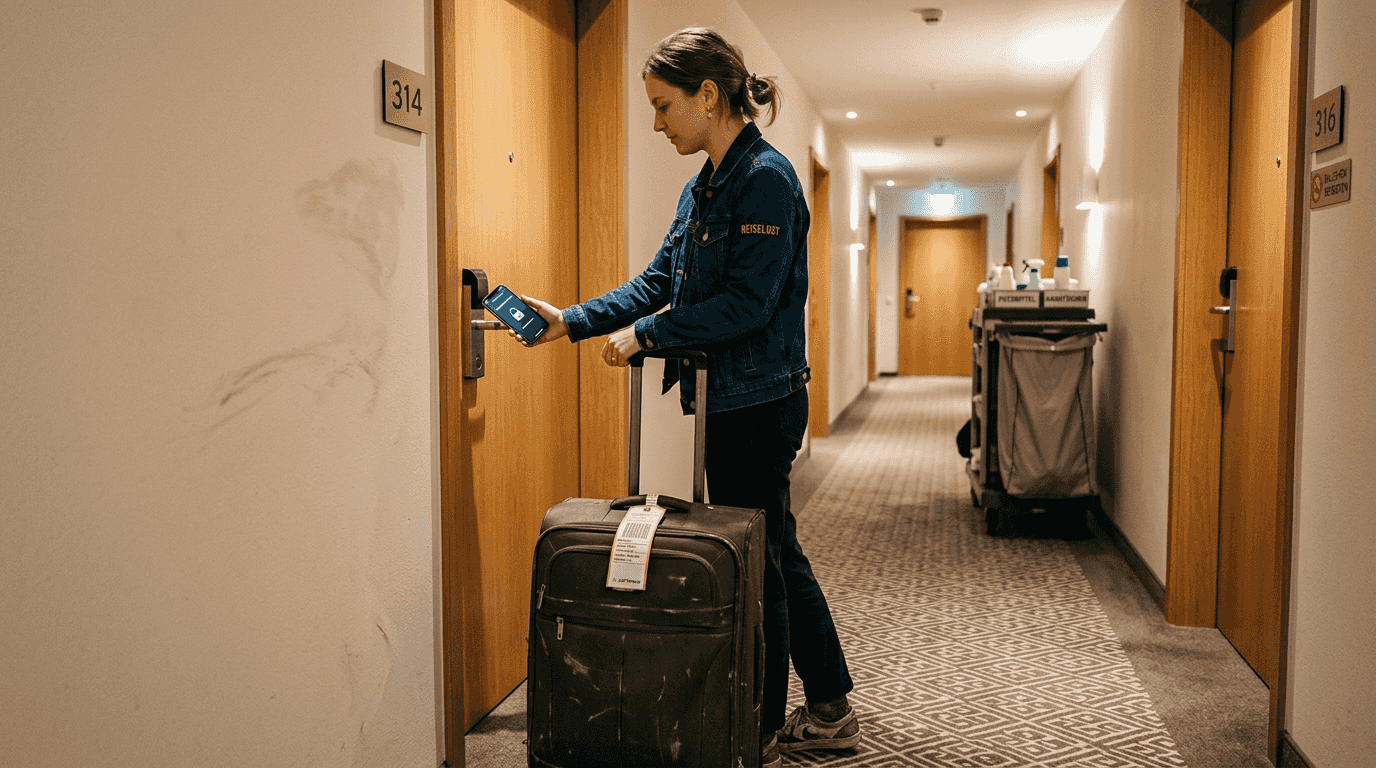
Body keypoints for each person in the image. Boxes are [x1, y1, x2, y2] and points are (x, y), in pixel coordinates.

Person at [512, 27, 858, 768]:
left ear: (708, 95)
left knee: (765, 557)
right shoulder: (703, 186)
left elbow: (747, 305)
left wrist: (648, 335)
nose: (657, 123)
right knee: (764, 550)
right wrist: (571, 320)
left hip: (760, 401)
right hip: (725, 399)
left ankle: (788, 719)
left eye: (664, 106)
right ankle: (803, 706)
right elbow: (657, 283)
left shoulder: (767, 180)